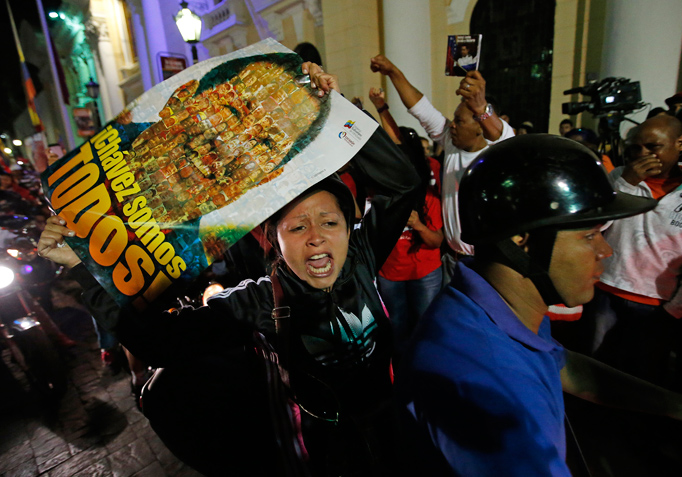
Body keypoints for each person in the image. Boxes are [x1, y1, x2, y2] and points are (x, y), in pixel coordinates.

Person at [37, 64, 421, 476]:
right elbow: (159, 344)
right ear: (275, 240)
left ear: (351, 229)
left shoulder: (362, 253)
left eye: (330, 223)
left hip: (391, 424)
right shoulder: (257, 301)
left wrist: (336, 109)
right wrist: (86, 268)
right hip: (319, 451)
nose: (316, 238)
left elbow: (403, 183)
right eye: (297, 226)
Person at [396, 134, 682, 476]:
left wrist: (679, 405)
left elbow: (558, 363)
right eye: (589, 235)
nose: (605, 251)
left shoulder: (499, 308)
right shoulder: (486, 383)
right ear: (523, 242)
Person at [370, 54, 514, 259]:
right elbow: (421, 109)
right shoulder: (451, 141)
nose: (452, 125)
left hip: (488, 262)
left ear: (479, 128)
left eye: (459, 121)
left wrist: (481, 107)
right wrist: (393, 71)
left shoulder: (498, 152)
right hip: (454, 258)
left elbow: (497, 131)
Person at [582, 114, 682, 386]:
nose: (643, 155)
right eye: (636, 148)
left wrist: (675, 310)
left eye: (653, 147)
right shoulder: (619, 176)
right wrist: (625, 184)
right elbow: (594, 224)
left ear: (680, 143)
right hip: (606, 291)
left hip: (658, 305)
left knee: (643, 379)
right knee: (597, 369)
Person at [367, 87, 444, 361]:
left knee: (427, 328)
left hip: (424, 272)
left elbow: (437, 240)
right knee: (397, 331)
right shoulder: (377, 191)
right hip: (390, 274)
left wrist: (418, 224)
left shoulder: (429, 190)